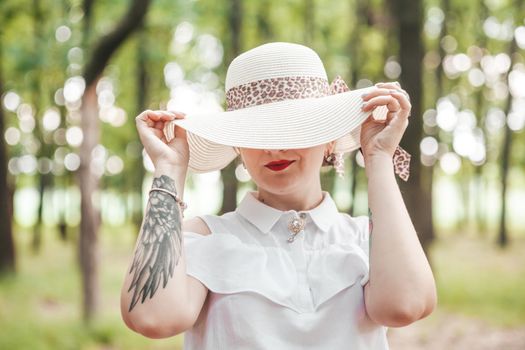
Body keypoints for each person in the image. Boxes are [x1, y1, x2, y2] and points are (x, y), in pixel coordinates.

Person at [120, 42, 437, 349]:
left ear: (329, 140)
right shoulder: (203, 237)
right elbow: (152, 318)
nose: (273, 148)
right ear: (238, 148)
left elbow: (405, 306)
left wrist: (379, 159)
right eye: (254, 134)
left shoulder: (364, 239)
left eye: (293, 127)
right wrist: (169, 169)